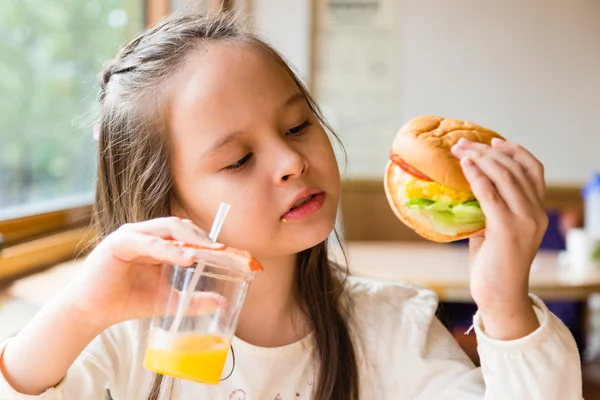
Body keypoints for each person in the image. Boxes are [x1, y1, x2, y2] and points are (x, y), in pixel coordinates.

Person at [0, 11, 582, 400]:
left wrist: (504, 305)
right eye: (237, 160)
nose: (290, 161)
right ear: (166, 200)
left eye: (299, 124)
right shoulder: (118, 342)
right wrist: (77, 313)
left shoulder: (392, 330)